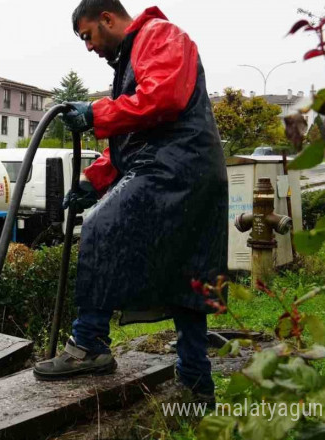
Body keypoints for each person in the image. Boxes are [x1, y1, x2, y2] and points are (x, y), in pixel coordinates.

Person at [33, 1, 228, 403]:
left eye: (88, 35)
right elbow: (134, 137)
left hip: (178, 167)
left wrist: (97, 112)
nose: (88, 47)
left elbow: (164, 99)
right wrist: (94, 179)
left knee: (103, 226)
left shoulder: (159, 36)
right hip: (185, 168)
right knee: (186, 275)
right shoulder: (132, 57)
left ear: (107, 19)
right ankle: (196, 382)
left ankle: (90, 343)